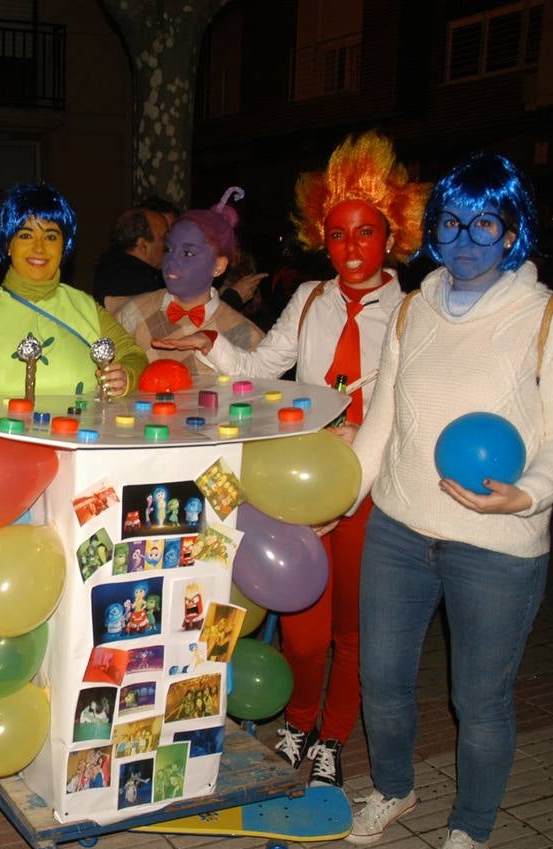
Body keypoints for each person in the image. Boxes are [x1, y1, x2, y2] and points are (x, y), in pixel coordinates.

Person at [346, 153, 553, 849]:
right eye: (451, 223)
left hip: (496, 541)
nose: (466, 239)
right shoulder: (413, 309)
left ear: (511, 229)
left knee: (478, 699)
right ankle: (393, 788)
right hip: (398, 527)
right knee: (381, 678)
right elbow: (383, 419)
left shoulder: (549, 316)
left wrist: (527, 494)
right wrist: (348, 497)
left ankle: (471, 828)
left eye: (484, 223)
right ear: (433, 230)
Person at [154, 132, 429, 790]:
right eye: (337, 235)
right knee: (302, 633)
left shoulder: (413, 314)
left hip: (370, 496)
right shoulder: (307, 300)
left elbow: (405, 412)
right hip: (303, 493)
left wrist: (348, 489)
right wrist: (209, 342)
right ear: (321, 238)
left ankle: (332, 736)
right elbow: (256, 370)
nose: (350, 248)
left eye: (365, 232)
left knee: (351, 635)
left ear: (389, 236)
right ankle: (298, 720)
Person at [0, 183, 147, 399]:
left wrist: (125, 377)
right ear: (8, 244)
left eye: (51, 237)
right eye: (26, 235)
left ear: (64, 247)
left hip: (79, 432)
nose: (39, 248)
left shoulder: (87, 308)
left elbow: (135, 356)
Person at [109, 187, 265, 386]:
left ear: (219, 266)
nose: (172, 261)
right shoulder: (134, 314)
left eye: (188, 253)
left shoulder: (245, 334)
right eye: (169, 249)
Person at [92, 205, 169, 304]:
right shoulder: (135, 284)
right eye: (164, 238)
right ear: (143, 246)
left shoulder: (112, 268)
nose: (169, 245)